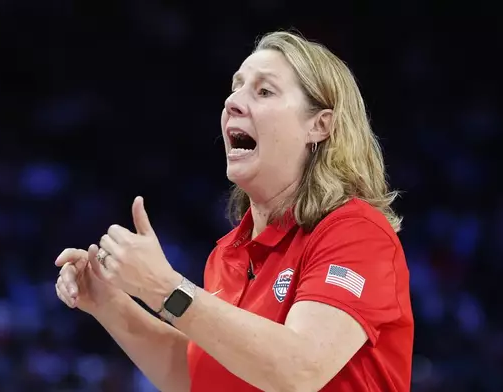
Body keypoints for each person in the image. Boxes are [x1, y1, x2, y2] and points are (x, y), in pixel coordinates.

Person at [55, 31, 413, 391]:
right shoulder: (227, 254)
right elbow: (198, 377)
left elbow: (300, 370)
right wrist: (109, 303)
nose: (233, 103)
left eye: (264, 91)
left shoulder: (356, 233)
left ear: (319, 125)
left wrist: (164, 288)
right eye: (235, 88)